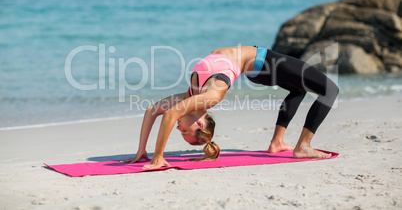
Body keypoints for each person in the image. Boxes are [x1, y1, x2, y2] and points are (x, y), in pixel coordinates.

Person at [122, 45, 339, 169]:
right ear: (200, 122)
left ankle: (277, 142)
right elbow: (169, 114)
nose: (179, 128)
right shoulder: (211, 97)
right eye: (186, 131)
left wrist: (142, 151)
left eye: (181, 132)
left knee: (299, 89)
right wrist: (158, 157)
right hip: (264, 63)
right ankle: (302, 146)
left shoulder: (191, 95)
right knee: (330, 90)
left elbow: (152, 110)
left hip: (257, 68)